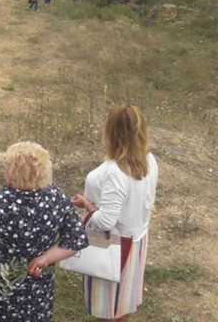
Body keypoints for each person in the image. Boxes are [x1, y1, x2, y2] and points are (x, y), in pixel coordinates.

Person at [0, 142, 88, 321]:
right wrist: (45, 258)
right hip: (36, 289)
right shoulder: (57, 198)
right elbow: (77, 239)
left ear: (11, 170)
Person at [72, 105, 158, 322]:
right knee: (123, 301)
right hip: (136, 240)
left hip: (112, 246)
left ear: (111, 132)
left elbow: (106, 221)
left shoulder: (114, 172)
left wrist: (87, 205)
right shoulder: (149, 161)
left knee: (108, 308)